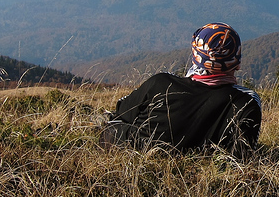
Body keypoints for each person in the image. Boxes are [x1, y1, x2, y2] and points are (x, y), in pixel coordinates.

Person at [101, 22, 261, 156]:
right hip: (198, 172)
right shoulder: (246, 102)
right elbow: (243, 155)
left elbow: (122, 112)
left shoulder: (161, 83)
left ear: (195, 57)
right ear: (237, 62)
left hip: (136, 150)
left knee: (110, 127)